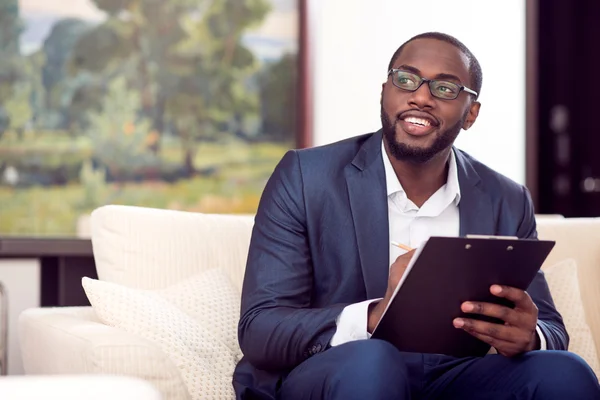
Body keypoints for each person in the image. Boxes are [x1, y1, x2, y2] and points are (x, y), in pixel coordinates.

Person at [234, 32, 600, 400]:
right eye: (406, 79)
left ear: (470, 114)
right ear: (385, 91)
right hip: (340, 372)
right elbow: (260, 330)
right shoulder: (305, 176)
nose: (421, 97)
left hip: (455, 377)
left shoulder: (507, 199)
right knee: (373, 362)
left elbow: (550, 328)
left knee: (566, 373)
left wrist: (530, 335)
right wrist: (375, 315)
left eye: (444, 89)